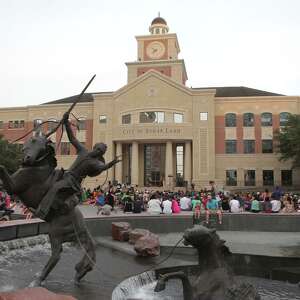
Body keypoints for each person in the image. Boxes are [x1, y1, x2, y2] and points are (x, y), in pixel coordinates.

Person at [34, 112, 121, 220]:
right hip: (66, 174)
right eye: (98, 149)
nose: (98, 151)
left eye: (101, 151)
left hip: (73, 181)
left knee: (56, 187)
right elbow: (72, 139)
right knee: (49, 177)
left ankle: (42, 212)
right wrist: (66, 122)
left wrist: (111, 163)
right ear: (94, 147)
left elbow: (102, 168)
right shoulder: (83, 150)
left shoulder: (95, 163)